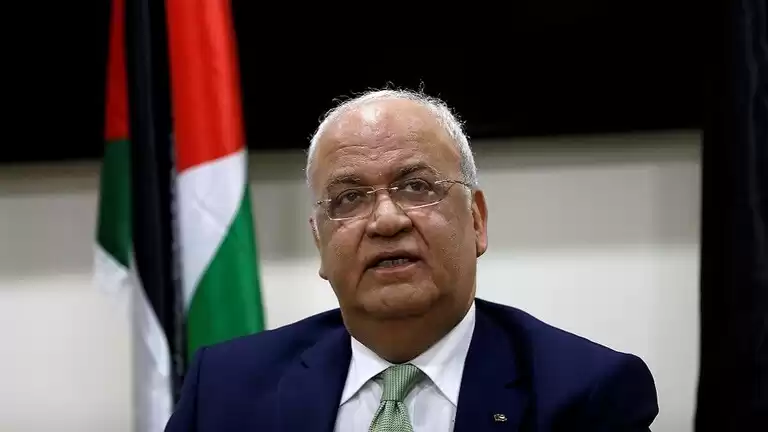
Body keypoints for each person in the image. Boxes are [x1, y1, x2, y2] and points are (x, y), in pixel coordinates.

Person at [165, 89, 659, 431]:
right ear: (320, 242)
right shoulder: (224, 390)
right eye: (349, 198)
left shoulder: (586, 394)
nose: (386, 221)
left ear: (477, 221)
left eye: (417, 187)